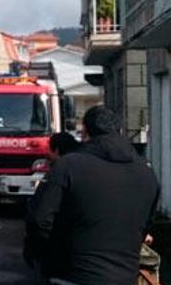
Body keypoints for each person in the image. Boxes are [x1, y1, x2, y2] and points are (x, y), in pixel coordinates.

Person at [25, 105, 159, 285]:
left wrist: (52, 252)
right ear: (119, 131)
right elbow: (145, 226)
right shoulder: (146, 172)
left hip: (72, 273)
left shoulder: (68, 166)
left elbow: (39, 219)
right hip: (125, 275)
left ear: (84, 132)